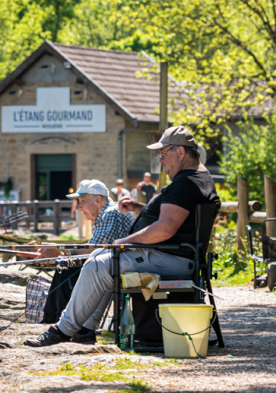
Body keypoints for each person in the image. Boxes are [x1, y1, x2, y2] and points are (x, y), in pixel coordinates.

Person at [25, 125, 220, 347]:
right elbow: (171, 217)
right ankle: (86, 328)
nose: (160, 160)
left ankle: (62, 330)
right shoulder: (197, 179)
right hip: (175, 256)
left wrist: (122, 243)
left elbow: (166, 229)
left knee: (98, 264)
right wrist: (140, 208)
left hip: (172, 259)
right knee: (100, 258)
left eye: (163, 154)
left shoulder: (186, 182)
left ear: (181, 153)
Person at [35, 180, 136, 339]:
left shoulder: (110, 213)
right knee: (70, 266)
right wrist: (60, 251)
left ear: (98, 200)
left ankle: (76, 326)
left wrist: (60, 250)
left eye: (82, 201)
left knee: (72, 269)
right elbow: (93, 249)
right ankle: (72, 323)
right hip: (117, 264)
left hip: (132, 264)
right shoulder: (103, 214)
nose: (80, 207)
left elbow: (95, 251)